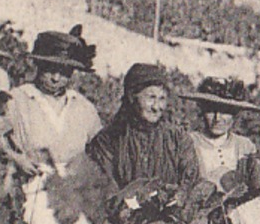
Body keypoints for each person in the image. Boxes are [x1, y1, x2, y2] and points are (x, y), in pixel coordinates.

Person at [1, 26, 102, 224]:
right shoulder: (18, 99)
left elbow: (100, 149)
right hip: (34, 190)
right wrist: (17, 158)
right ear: (38, 65)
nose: (56, 78)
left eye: (64, 72)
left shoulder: (84, 108)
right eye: (50, 70)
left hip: (74, 194)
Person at [85, 63, 202, 192]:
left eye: (162, 99)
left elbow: (191, 184)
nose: (156, 107)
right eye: (151, 97)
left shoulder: (177, 139)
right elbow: (103, 188)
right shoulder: (108, 140)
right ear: (131, 97)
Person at [181, 77, 260, 192]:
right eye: (211, 110)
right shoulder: (189, 142)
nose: (217, 118)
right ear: (202, 111)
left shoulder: (245, 146)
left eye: (225, 111)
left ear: (234, 114)